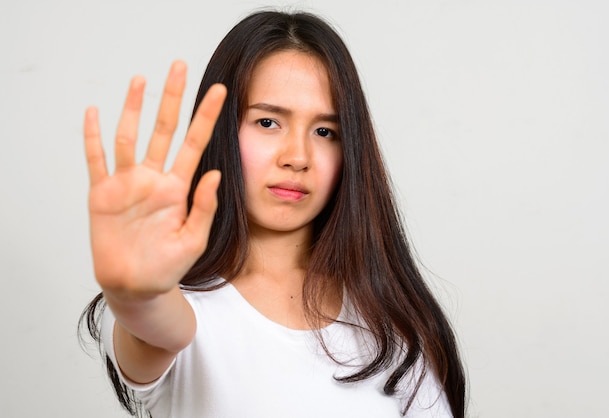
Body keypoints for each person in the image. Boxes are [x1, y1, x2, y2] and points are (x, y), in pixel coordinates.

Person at [80, 10, 466, 418]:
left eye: (324, 132)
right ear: (223, 130)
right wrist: (138, 295)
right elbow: (154, 325)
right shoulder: (182, 307)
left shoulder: (395, 320)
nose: (297, 157)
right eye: (268, 122)